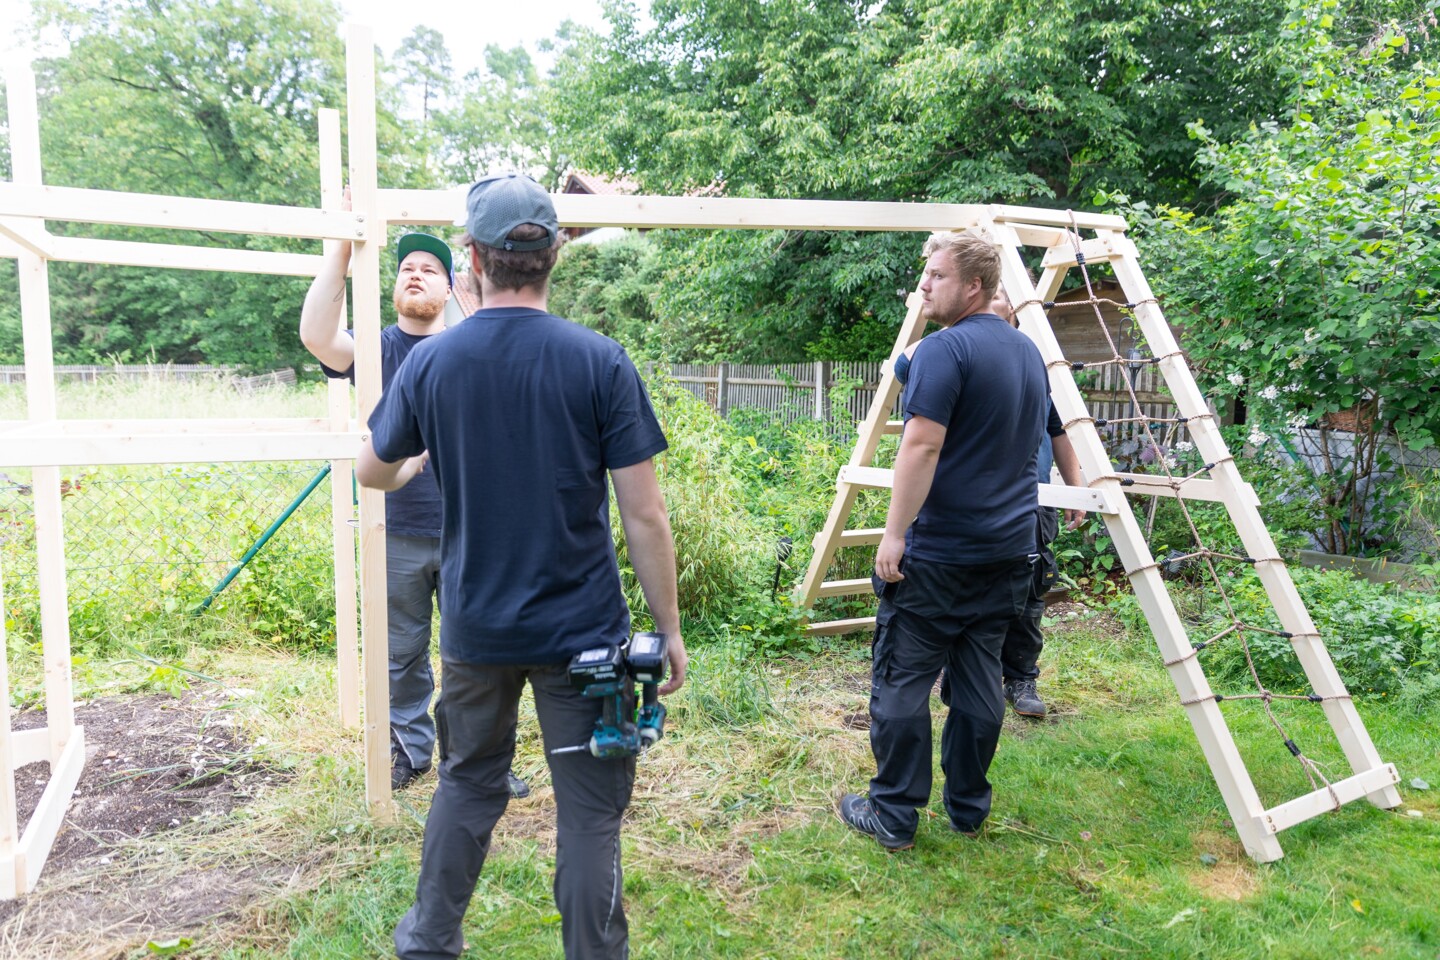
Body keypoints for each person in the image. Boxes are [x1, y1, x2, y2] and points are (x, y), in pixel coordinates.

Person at [356, 173, 685, 960]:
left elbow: (372, 469)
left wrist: (415, 463)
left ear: (472, 258)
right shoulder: (600, 361)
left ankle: (428, 942)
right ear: (553, 258)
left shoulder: (432, 364)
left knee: (468, 783)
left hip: (476, 630)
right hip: (585, 639)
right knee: (589, 815)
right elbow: (645, 513)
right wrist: (668, 628)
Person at [298, 198, 529, 798]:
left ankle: (481, 758)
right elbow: (317, 335)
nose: (415, 273)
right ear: (393, 286)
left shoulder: (472, 344)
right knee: (402, 655)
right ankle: (411, 751)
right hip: (395, 528)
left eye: (430, 267)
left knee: (476, 655)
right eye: (405, 268)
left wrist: (483, 313)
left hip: (468, 531)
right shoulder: (374, 352)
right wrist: (344, 245)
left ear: (450, 286)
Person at [839, 231, 1047, 851]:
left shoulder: (943, 350)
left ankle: (894, 814)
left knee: (903, 680)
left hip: (941, 556)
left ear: (974, 285)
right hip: (1010, 552)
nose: (923, 286)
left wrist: (894, 534)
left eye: (936, 276)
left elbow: (922, 446)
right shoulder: (1027, 353)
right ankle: (967, 808)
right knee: (982, 680)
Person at [895, 290, 1088, 719]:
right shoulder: (954, 354)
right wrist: (939, 315)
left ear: (1016, 316)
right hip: (968, 508)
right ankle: (966, 675)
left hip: (1030, 502)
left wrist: (1075, 487)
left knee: (1028, 594)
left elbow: (1058, 431)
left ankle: (1021, 677)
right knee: (967, 607)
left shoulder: (1029, 366)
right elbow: (902, 364)